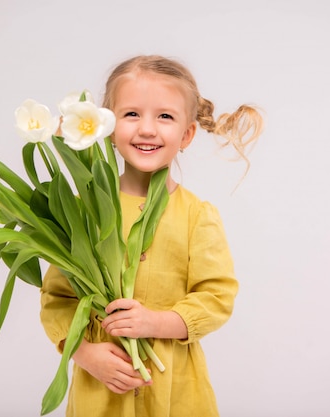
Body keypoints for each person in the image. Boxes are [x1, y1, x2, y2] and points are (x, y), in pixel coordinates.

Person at [40, 54, 263, 417]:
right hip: (102, 391)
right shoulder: (81, 211)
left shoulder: (196, 215)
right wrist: (84, 353)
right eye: (131, 114)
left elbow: (217, 297)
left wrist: (156, 322)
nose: (147, 129)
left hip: (176, 391)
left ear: (187, 134)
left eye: (165, 116)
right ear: (107, 126)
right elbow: (57, 297)